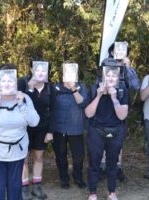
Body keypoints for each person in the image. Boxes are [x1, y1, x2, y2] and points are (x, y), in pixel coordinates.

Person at [0, 64, 40, 200]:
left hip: (17, 151)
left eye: (10, 80)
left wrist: (21, 104)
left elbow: (34, 122)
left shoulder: (24, 98)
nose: (7, 83)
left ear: (16, 81)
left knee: (15, 187)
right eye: (3, 80)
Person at [85, 66, 129, 200]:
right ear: (103, 76)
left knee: (112, 162)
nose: (110, 78)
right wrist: (98, 95)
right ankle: (92, 193)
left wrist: (114, 98)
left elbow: (122, 116)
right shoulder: (94, 88)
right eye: (107, 75)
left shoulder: (122, 90)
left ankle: (112, 192)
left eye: (114, 75)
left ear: (118, 77)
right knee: (94, 162)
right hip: (96, 130)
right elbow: (88, 113)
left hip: (115, 130)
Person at [99, 43, 140, 182]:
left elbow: (135, 86)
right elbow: (98, 82)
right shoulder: (105, 63)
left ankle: (117, 167)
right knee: (102, 133)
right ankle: (103, 166)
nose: (121, 52)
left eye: (124, 50)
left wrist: (127, 67)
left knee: (118, 136)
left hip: (121, 102)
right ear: (111, 50)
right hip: (104, 103)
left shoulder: (127, 67)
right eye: (118, 49)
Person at [18, 61, 54, 200]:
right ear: (32, 70)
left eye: (43, 70)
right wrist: (30, 89)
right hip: (25, 128)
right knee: (23, 160)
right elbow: (24, 105)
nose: (40, 73)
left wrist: (50, 131)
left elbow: (54, 111)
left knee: (39, 157)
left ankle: (37, 186)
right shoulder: (23, 84)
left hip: (42, 129)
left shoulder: (49, 88)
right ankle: (24, 188)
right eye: (37, 69)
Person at [51, 61, 88, 189]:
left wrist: (73, 88)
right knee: (60, 155)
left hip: (76, 127)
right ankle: (64, 178)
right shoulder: (55, 87)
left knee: (78, 156)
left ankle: (77, 177)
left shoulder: (81, 87)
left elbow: (83, 104)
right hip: (58, 127)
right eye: (67, 71)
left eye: (72, 71)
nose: (69, 74)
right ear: (62, 74)